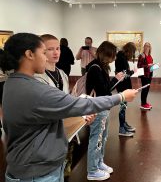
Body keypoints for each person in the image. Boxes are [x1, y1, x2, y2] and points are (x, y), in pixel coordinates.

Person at [0, 33, 137, 182]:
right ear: (29, 54)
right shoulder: (34, 89)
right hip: (36, 173)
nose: (47, 57)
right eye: (44, 52)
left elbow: (57, 109)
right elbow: (78, 104)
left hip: (35, 166)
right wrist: (121, 97)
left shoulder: (12, 83)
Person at [34, 34, 95, 178]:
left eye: (58, 48)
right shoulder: (36, 78)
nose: (56, 52)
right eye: (50, 49)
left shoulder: (62, 74)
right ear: (41, 51)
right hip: (47, 135)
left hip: (65, 131)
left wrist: (81, 115)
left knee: (64, 166)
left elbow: (67, 101)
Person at [86, 41, 124, 180]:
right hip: (98, 108)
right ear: (106, 55)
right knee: (96, 139)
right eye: (112, 56)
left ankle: (99, 162)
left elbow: (105, 87)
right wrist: (116, 80)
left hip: (103, 107)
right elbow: (103, 90)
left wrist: (115, 80)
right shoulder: (95, 68)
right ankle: (92, 170)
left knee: (103, 137)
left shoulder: (100, 66)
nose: (114, 59)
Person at [115, 42, 137, 137]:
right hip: (122, 86)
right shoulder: (121, 58)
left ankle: (124, 124)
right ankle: (121, 129)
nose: (132, 55)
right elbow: (125, 74)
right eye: (133, 52)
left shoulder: (121, 57)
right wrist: (133, 71)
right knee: (122, 108)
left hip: (123, 85)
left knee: (124, 107)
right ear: (129, 51)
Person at [137, 42, 154, 110]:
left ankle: (145, 102)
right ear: (144, 47)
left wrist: (154, 66)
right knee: (145, 89)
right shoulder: (142, 55)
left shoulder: (150, 56)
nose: (147, 47)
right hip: (144, 75)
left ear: (150, 48)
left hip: (149, 74)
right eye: (145, 46)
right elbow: (139, 66)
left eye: (148, 46)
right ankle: (143, 104)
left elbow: (151, 65)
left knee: (147, 89)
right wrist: (147, 66)